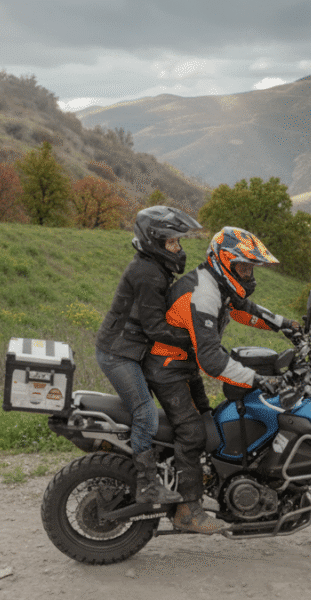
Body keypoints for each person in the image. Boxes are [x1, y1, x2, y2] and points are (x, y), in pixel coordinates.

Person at [144, 226, 300, 534]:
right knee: (192, 433)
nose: (248, 274)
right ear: (223, 262)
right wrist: (258, 380)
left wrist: (286, 325)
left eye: (250, 268)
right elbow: (212, 361)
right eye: (243, 266)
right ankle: (187, 511)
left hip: (180, 365)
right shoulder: (204, 293)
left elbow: (244, 310)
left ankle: (204, 482)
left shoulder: (218, 285)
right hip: (167, 368)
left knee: (210, 427)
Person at [94, 206, 203, 505]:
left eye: (178, 243)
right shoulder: (148, 274)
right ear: (154, 241)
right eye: (172, 243)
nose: (177, 248)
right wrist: (195, 341)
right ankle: (146, 485)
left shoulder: (153, 268)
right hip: (118, 354)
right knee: (145, 412)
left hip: (127, 349)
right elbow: (156, 328)